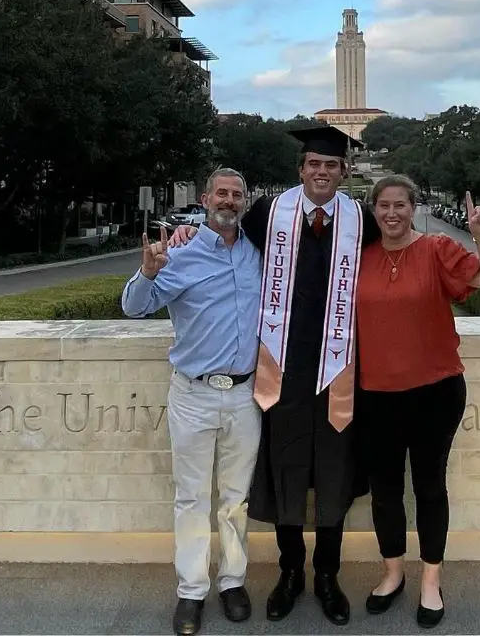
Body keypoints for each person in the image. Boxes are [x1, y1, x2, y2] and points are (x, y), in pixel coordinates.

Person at [168, 126, 380, 626]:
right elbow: (225, 234)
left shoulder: (361, 220)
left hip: (337, 369)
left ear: (344, 172)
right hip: (281, 371)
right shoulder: (269, 213)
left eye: (331, 165)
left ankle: (327, 576)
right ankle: (290, 575)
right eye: (313, 164)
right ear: (301, 169)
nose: (321, 172)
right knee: (286, 475)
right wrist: (186, 231)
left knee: (334, 475)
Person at [355, 175, 480, 629]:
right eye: (384, 205)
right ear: (374, 210)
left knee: (428, 487)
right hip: (375, 394)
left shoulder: (437, 248)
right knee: (384, 491)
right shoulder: (358, 257)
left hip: (434, 392)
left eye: (400, 204)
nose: (392, 213)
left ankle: (431, 582)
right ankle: (393, 573)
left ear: (414, 207)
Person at [121, 168, 262, 636]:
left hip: (244, 394)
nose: (229, 200)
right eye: (221, 193)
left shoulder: (257, 253)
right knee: (192, 497)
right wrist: (147, 272)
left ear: (246, 201)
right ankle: (191, 591)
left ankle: (233, 581)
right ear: (205, 199)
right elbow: (135, 307)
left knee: (236, 498)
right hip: (193, 394)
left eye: (236, 194)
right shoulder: (179, 252)